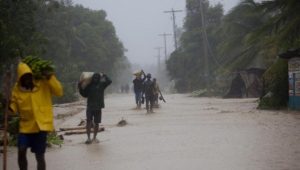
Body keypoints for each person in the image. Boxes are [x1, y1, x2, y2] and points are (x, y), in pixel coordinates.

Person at [9, 62, 63, 170]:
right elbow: (13, 107)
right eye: (24, 78)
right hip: (25, 126)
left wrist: (50, 77)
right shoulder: (17, 88)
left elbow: (59, 92)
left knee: (39, 155)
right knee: (21, 150)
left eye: (29, 77)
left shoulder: (42, 82)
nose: (27, 80)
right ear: (20, 79)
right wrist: (7, 106)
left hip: (41, 125)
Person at [78, 73, 112, 144]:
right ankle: (88, 138)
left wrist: (104, 75)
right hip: (90, 107)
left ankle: (94, 137)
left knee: (96, 123)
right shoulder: (89, 86)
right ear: (92, 78)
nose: (95, 78)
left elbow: (109, 81)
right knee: (88, 122)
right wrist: (80, 86)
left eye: (97, 77)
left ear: (99, 78)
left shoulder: (102, 85)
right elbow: (84, 94)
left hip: (98, 107)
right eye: (94, 77)